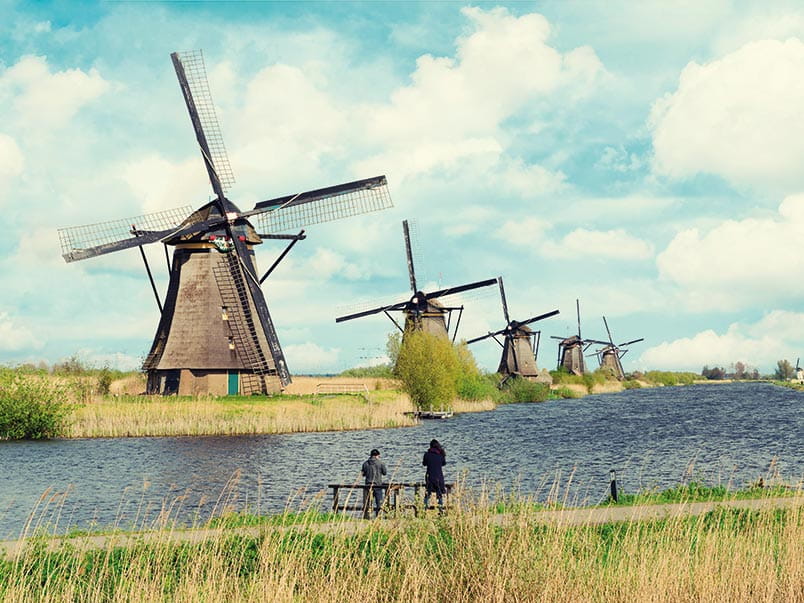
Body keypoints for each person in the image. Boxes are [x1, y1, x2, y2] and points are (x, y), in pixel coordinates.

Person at [361, 448, 387, 517]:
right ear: (377, 456)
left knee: (368, 503)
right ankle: (378, 517)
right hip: (378, 486)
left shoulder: (365, 463)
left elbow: (363, 474)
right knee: (379, 504)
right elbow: (384, 473)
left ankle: (367, 517)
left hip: (368, 486)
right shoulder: (381, 463)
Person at [422, 439, 447, 511]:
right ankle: (441, 509)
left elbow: (424, 463)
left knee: (427, 493)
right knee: (439, 494)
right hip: (439, 477)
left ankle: (424, 509)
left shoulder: (427, 454)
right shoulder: (441, 454)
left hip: (429, 477)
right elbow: (444, 463)